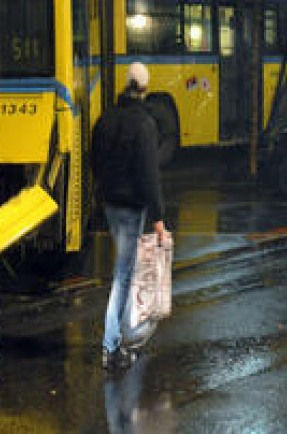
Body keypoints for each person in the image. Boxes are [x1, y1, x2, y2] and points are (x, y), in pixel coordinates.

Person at [92, 62, 166, 371]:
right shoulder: (144, 124)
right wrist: (158, 217)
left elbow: (94, 158)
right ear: (145, 89)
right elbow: (149, 174)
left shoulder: (105, 119)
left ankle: (120, 337)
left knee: (124, 270)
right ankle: (112, 345)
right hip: (132, 207)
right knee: (124, 273)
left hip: (110, 203)